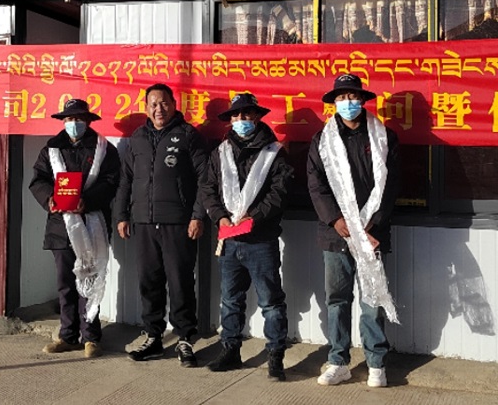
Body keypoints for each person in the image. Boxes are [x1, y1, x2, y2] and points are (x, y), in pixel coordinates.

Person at [308, 74, 400, 388]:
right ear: (333, 102)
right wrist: (335, 219)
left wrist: (373, 220)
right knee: (337, 299)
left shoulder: (383, 136)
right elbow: (316, 185)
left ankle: (376, 363)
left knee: (373, 298)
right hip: (336, 234)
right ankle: (338, 361)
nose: (348, 103)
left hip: (372, 230)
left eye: (353, 97)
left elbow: (391, 185)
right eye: (342, 97)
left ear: (363, 100)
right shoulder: (321, 140)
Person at [200, 92, 292, 380]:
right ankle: (231, 351)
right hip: (229, 238)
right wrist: (219, 216)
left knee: (270, 302)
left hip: (261, 239)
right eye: (236, 115)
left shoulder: (274, 152)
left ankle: (275, 355)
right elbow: (207, 189)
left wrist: (256, 216)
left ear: (257, 117)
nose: (241, 119)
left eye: (247, 114)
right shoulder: (220, 153)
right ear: (230, 119)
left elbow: (279, 192)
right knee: (230, 300)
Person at [115, 83, 208, 364]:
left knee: (180, 282)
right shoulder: (137, 138)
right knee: (149, 281)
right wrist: (122, 215)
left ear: (174, 104)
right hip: (143, 222)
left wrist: (197, 215)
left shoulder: (188, 135)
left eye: (164, 103)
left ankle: (184, 338)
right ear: (146, 108)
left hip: (178, 223)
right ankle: (153, 336)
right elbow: (126, 180)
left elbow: (205, 179)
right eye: (153, 104)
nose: (159, 109)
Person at [29, 98, 121, 358]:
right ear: (63, 122)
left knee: (89, 280)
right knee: (65, 283)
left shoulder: (104, 148)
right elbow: (38, 180)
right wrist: (50, 199)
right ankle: (68, 336)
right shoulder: (51, 149)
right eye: (69, 119)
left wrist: (87, 201)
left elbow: (111, 181)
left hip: (92, 224)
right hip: (61, 226)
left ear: (88, 121)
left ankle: (91, 337)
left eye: (79, 119)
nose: (74, 123)